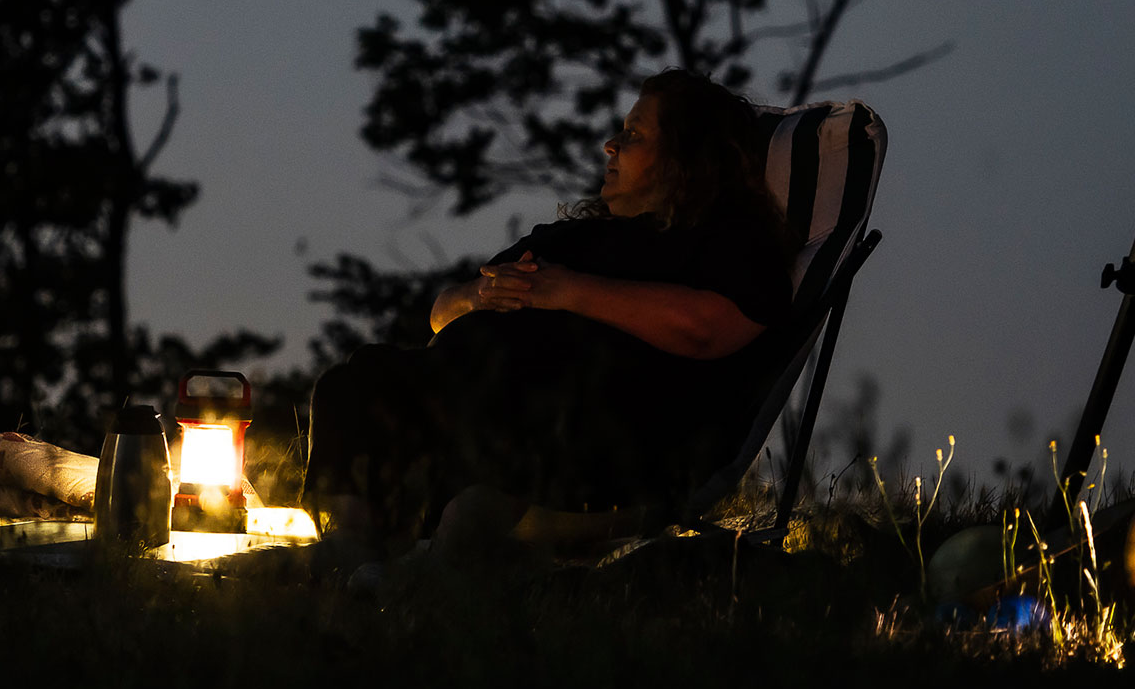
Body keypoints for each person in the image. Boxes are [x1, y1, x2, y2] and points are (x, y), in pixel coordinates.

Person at [303, 69, 795, 554]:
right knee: (357, 380)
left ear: (686, 157)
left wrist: (569, 291)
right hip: (479, 412)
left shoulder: (724, 242)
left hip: (600, 439)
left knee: (501, 450)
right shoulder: (568, 236)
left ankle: (413, 557)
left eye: (634, 135)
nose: (610, 145)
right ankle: (349, 548)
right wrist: (482, 295)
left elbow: (708, 330)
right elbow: (441, 313)